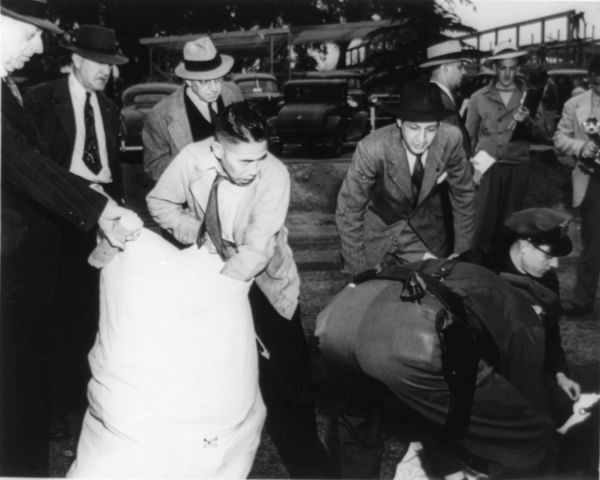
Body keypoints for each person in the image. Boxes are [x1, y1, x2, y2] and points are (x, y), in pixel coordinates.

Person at [146, 101, 332, 478]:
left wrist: (218, 296)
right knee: (212, 386)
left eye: (260, 157)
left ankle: (314, 471)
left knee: (289, 387)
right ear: (217, 149)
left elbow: (256, 250)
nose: (255, 168)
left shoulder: (274, 174)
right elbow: (159, 202)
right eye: (245, 161)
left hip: (264, 284)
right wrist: (195, 233)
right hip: (209, 276)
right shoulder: (191, 158)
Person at [0, 2, 141, 475]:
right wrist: (100, 208)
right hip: (31, 244)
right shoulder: (32, 97)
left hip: (66, 231)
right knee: (23, 379)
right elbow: (26, 165)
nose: (37, 48)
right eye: (28, 36)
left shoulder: (11, 90)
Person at [23, 23, 129, 440]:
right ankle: (56, 410)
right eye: (101, 64)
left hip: (100, 221)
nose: (108, 72)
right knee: (56, 316)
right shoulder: (40, 100)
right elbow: (34, 169)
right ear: (77, 60)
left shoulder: (109, 108)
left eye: (112, 65)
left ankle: (84, 407)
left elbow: (114, 172)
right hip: (58, 219)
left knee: (93, 315)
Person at [336, 80, 475, 275]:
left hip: (422, 232)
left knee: (438, 289)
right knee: (363, 297)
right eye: (414, 128)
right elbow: (349, 210)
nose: (421, 139)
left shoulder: (451, 140)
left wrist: (461, 252)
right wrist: (358, 272)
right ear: (400, 122)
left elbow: (463, 196)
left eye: (430, 129)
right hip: (374, 229)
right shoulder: (372, 148)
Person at [466, 41, 548, 247]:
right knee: (481, 226)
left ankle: (504, 273)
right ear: (495, 68)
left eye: (512, 68)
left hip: (517, 168)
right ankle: (477, 271)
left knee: (511, 227)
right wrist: (469, 170)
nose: (507, 74)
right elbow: (468, 138)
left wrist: (527, 120)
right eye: (502, 68)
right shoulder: (478, 98)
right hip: (486, 170)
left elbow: (543, 135)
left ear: (518, 68)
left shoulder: (530, 97)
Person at [142, 35, 243, 182]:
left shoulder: (233, 93)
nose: (215, 88)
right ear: (189, 80)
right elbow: (153, 168)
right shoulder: (159, 116)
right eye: (205, 82)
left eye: (218, 79)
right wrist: (193, 161)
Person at [553, 55, 600, 316]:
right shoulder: (575, 105)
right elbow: (559, 138)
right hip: (592, 178)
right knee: (593, 244)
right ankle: (583, 301)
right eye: (596, 85)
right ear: (589, 80)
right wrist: (582, 147)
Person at [420, 39, 472, 157]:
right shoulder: (441, 101)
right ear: (445, 69)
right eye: (460, 67)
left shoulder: (434, 96)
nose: (464, 72)